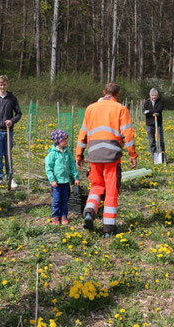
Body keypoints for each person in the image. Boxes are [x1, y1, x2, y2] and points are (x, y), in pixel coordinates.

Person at [76, 82, 138, 237]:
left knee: (96, 185)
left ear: (104, 92)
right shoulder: (121, 109)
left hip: (94, 154)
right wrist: (132, 155)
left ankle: (89, 211)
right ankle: (108, 229)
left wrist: (79, 155)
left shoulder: (90, 108)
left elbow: (83, 133)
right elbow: (128, 135)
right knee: (111, 191)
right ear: (117, 94)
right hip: (112, 155)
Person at [0, 75, 22, 189]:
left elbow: (18, 114)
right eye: (1, 84)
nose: (3, 86)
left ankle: (10, 178)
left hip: (8, 131)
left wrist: (11, 121)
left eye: (5, 84)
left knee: (8, 155)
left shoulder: (12, 98)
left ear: (7, 85)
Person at [45, 129, 80, 225]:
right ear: (57, 141)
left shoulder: (68, 153)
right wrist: (52, 180)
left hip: (66, 181)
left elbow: (72, 165)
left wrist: (76, 177)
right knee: (56, 199)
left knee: (65, 199)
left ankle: (64, 215)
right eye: (64, 139)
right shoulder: (52, 154)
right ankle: (55, 216)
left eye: (66, 139)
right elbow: (49, 169)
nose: (66, 141)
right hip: (56, 182)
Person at [143, 88, 165, 161]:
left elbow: (159, 110)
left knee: (160, 141)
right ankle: (155, 158)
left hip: (158, 124)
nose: (154, 97)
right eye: (152, 95)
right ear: (150, 95)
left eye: (155, 95)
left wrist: (150, 112)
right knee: (152, 141)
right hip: (149, 124)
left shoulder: (160, 101)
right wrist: (152, 113)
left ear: (157, 95)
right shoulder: (147, 102)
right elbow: (144, 112)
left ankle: (163, 157)